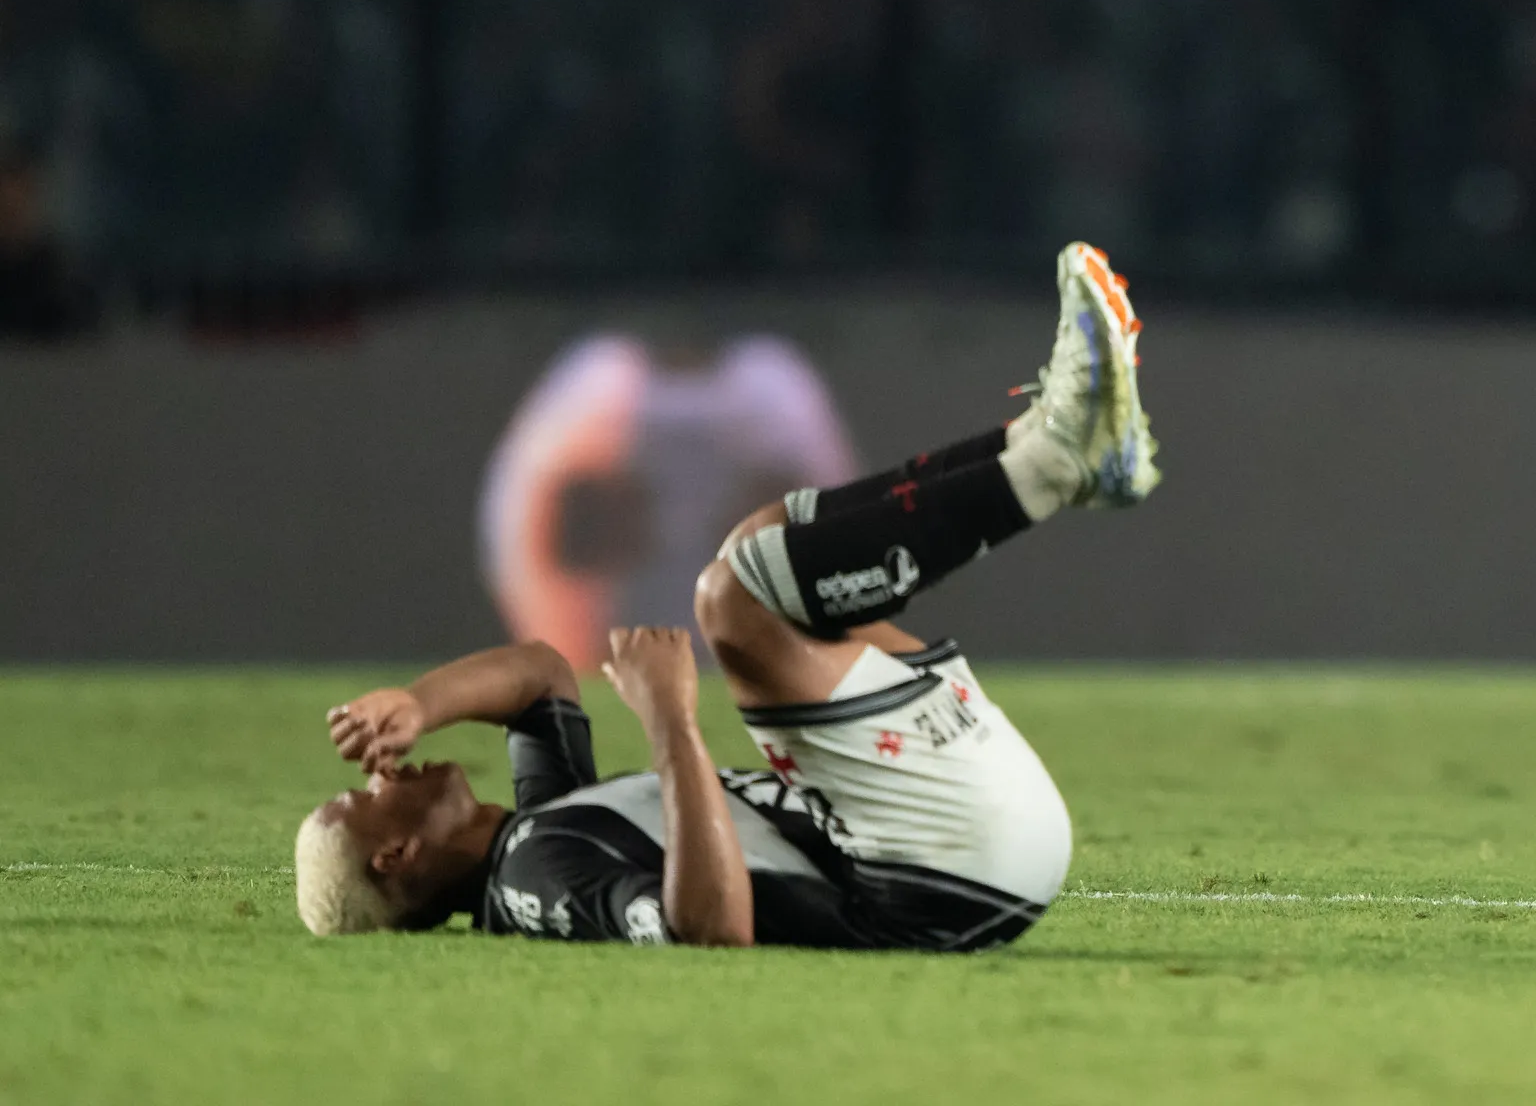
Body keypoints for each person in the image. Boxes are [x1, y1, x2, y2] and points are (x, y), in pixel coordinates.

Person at [293, 242, 1157, 950]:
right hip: (934, 876)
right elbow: (709, 931)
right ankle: (1055, 460)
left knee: (763, 555)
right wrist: (672, 722)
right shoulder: (534, 877)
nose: (382, 775)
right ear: (396, 856)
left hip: (968, 854)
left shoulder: (536, 829)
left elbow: (539, 675)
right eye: (365, 801)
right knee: (737, 599)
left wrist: (417, 701)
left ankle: (1047, 444)